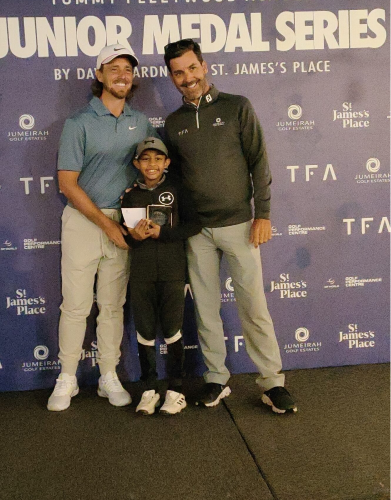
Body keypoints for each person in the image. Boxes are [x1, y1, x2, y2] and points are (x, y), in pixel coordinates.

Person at [163, 39, 297, 414]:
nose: (187, 78)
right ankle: (216, 378)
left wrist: (264, 213)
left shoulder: (237, 106)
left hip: (241, 225)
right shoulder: (173, 124)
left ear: (204, 66)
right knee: (205, 309)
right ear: (171, 77)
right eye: (178, 72)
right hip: (197, 232)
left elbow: (259, 162)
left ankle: (272, 383)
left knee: (253, 305)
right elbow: (173, 180)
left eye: (192, 68)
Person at [47, 44, 156, 412]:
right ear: (99, 75)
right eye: (114, 68)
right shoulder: (78, 122)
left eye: (128, 69)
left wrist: (136, 204)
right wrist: (106, 226)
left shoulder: (140, 122)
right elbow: (67, 183)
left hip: (124, 221)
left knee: (112, 306)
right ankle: (67, 377)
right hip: (83, 221)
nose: (123, 75)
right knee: (76, 306)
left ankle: (108, 375)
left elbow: (154, 168)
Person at [121, 137, 202, 415]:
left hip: (172, 272)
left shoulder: (178, 190)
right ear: (136, 163)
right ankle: (149, 389)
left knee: (172, 330)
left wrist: (162, 233)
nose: (151, 164)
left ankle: (176, 390)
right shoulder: (130, 195)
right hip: (142, 273)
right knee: (144, 331)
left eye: (158, 159)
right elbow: (128, 238)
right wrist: (134, 236)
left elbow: (194, 224)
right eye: (145, 159)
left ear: (167, 163)